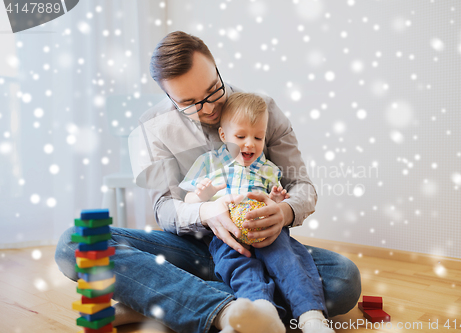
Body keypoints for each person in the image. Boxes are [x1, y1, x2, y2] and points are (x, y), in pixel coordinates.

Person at [54, 31, 361, 333]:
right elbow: (164, 209)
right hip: (193, 248)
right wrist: (206, 212)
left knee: (343, 280)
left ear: (216, 67)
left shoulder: (262, 109)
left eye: (214, 90)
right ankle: (227, 312)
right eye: (190, 103)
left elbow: (302, 186)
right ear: (168, 96)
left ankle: (163, 301)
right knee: (77, 243)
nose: (210, 108)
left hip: (261, 245)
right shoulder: (152, 129)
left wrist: (284, 212)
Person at [180, 91, 336, 333]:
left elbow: (279, 200)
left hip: (267, 232)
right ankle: (258, 314)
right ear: (223, 135)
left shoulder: (269, 169)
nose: (250, 143)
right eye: (240, 136)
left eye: (258, 137)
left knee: (289, 261)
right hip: (227, 235)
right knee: (240, 268)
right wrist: (201, 195)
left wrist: (276, 200)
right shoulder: (209, 164)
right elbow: (188, 201)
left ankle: (311, 316)